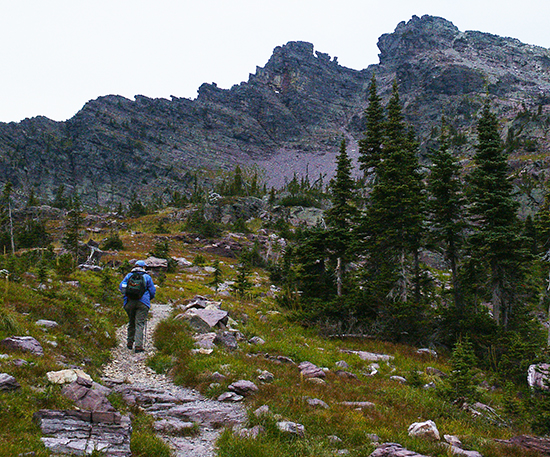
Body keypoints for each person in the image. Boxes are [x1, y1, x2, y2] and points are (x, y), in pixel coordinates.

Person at [119, 260, 156, 353]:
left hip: (129, 302)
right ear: (143, 267)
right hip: (143, 303)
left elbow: (121, 287)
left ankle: (130, 342)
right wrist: (148, 299)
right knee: (139, 323)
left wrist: (127, 296)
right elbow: (152, 291)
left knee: (131, 322)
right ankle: (138, 346)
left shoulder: (128, 276)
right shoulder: (147, 277)